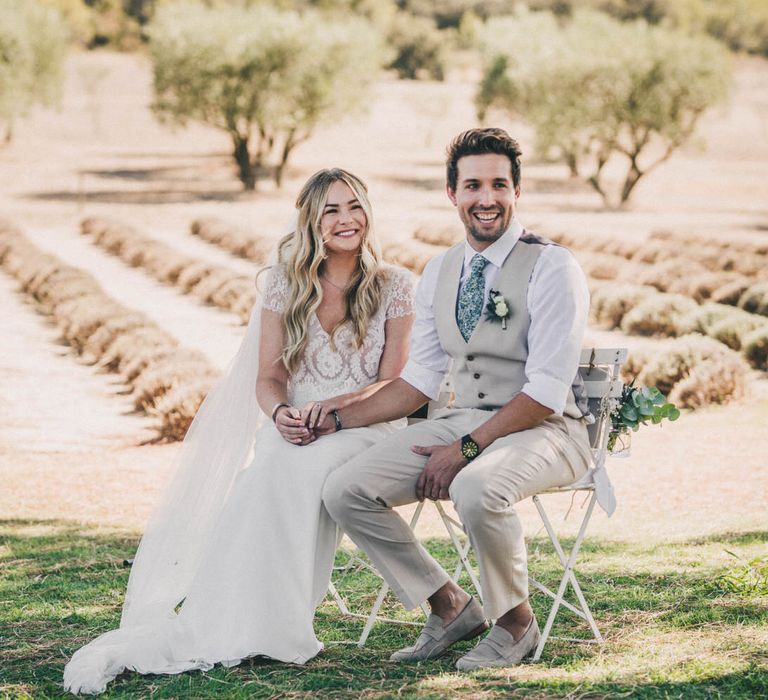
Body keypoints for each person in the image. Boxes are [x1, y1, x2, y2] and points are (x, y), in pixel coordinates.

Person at [63, 168, 415, 694]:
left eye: (355, 206)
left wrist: (334, 408)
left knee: (301, 466)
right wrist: (280, 415)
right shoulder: (283, 284)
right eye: (331, 210)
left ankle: (279, 621)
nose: (347, 220)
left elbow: (394, 382)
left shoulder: (395, 286)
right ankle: (231, 617)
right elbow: (269, 376)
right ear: (311, 222)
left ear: (369, 212)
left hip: (367, 425)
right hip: (294, 427)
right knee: (270, 465)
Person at [319, 128, 593, 670]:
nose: (485, 198)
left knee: (475, 486)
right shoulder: (440, 270)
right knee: (346, 489)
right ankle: (449, 607)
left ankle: (516, 625)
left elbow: (544, 392)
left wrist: (465, 449)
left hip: (549, 430)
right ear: (453, 193)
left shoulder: (553, 266)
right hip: (464, 420)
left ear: (516, 191)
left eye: (498, 185)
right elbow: (418, 382)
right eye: (473, 185)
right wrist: (334, 420)